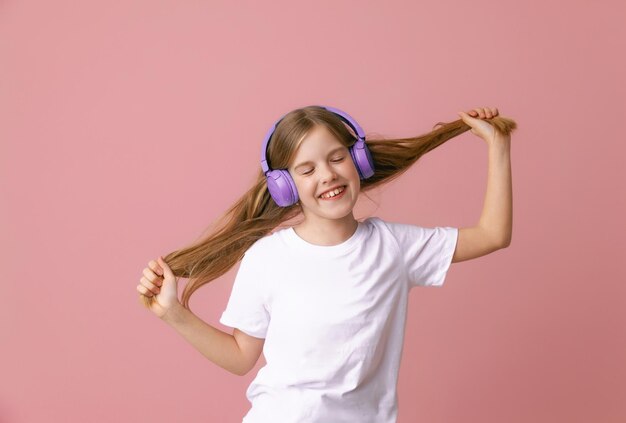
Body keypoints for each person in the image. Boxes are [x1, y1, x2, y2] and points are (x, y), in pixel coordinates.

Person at [136, 105, 516, 422]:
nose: (328, 174)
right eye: (307, 170)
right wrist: (173, 313)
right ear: (285, 186)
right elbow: (240, 358)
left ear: (359, 161)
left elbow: (492, 234)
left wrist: (497, 146)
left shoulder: (395, 247)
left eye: (338, 158)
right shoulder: (267, 259)